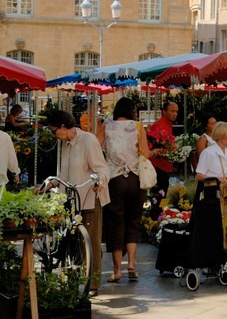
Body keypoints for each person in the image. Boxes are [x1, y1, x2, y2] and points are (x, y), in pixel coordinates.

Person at [45, 110, 110, 294]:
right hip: (71, 200)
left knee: (91, 242)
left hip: (89, 197)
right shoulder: (66, 144)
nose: (53, 134)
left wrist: (99, 181)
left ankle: (93, 284)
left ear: (64, 126)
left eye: (53, 130)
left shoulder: (88, 140)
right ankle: (72, 277)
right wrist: (51, 184)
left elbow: (102, 169)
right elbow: (64, 173)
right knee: (71, 241)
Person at [96, 97, 151, 283]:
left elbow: (96, 146)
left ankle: (117, 270)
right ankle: (132, 265)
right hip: (135, 178)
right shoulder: (137, 126)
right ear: (132, 111)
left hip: (114, 179)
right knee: (133, 221)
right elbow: (146, 152)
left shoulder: (107, 126)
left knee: (115, 223)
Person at [195, 122, 227, 249]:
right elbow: (199, 175)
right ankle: (215, 249)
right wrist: (215, 178)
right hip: (213, 190)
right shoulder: (208, 153)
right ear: (221, 136)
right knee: (216, 221)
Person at [146, 101, 178, 196]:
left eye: (176, 111)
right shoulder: (159, 125)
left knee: (162, 195)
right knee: (159, 195)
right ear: (164, 111)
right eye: (172, 111)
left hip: (165, 166)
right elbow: (150, 146)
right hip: (159, 167)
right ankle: (157, 211)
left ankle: (160, 210)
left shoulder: (167, 124)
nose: (175, 114)